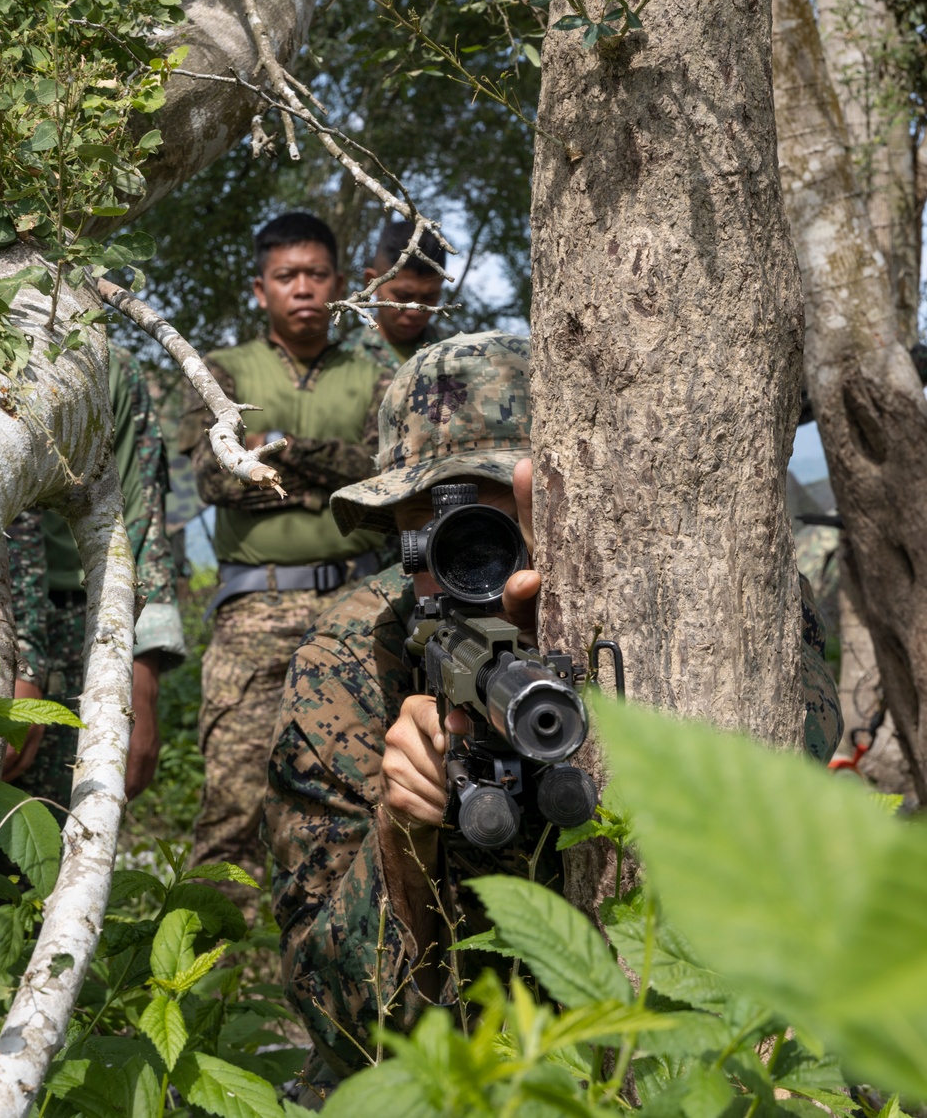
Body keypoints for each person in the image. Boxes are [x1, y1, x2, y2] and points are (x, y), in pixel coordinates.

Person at [263, 332, 843, 1102]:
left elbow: (789, 790)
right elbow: (346, 1035)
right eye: (433, 536)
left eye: (498, 531)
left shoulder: (715, 611)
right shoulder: (351, 662)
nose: (470, 567)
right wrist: (403, 838)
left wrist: (602, 679)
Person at [178, 210, 392, 898]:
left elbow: (384, 480)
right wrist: (334, 485)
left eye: (317, 274)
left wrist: (287, 452)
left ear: (339, 282)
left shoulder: (377, 378)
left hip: (357, 609)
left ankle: (327, 973)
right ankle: (206, 977)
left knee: (352, 795)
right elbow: (218, 479)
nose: (304, 288)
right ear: (259, 288)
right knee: (233, 804)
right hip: (254, 610)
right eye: (286, 276)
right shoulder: (220, 373)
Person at [3, 344, 185, 806]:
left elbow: (142, 518)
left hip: (82, 623)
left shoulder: (109, 364)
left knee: (56, 828)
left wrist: (139, 679)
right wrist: (25, 662)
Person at [343, 218, 449, 370]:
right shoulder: (344, 358)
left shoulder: (461, 353)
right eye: (403, 296)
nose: (415, 311)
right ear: (372, 284)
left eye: (429, 297)